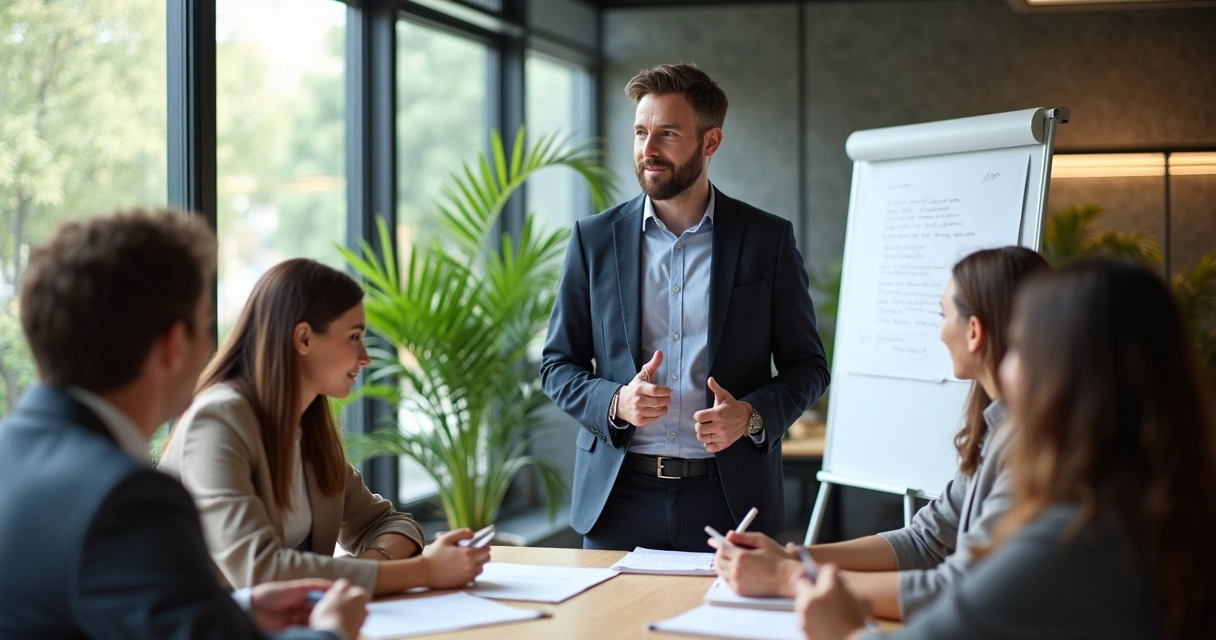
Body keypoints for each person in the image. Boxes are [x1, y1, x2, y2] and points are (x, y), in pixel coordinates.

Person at [794, 258, 1216, 639]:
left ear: (1062, 373)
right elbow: (931, 543)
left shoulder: (1070, 528)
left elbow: (952, 608)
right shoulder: (1153, 495)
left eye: (1021, 347)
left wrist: (841, 626)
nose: (1007, 365)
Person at [0, 209, 368, 640]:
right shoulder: (125, 498)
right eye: (205, 326)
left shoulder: (13, 452)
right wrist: (330, 632)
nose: (213, 347)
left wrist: (241, 610)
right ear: (174, 344)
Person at [540, 62, 830, 551]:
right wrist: (615, 402)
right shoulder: (593, 240)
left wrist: (751, 416)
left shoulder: (766, 240)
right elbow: (556, 364)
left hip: (730, 499)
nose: (647, 150)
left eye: (667, 134)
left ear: (710, 142)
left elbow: (809, 367)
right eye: (639, 132)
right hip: (618, 497)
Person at [712, 246, 1049, 620]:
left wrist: (790, 577)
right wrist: (793, 557)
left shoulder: (1029, 448)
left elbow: (959, 591)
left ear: (974, 332)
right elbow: (926, 541)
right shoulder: (997, 429)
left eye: (943, 315)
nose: (939, 333)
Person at [159, 258, 490, 596]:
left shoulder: (307, 428)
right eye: (354, 336)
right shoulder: (218, 421)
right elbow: (260, 571)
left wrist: (372, 568)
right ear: (303, 339)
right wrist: (422, 571)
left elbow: (390, 523)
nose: (365, 356)